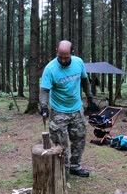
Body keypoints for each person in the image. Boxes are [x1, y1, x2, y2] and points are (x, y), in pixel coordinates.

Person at [39, 40, 99, 178]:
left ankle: (75, 166)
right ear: (57, 52)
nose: (63, 60)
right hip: (59, 111)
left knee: (79, 139)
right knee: (61, 144)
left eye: (66, 57)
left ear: (72, 53)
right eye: (60, 56)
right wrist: (43, 107)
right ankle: (62, 170)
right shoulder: (50, 69)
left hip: (77, 110)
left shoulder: (78, 62)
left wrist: (90, 98)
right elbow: (44, 90)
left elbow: (85, 80)